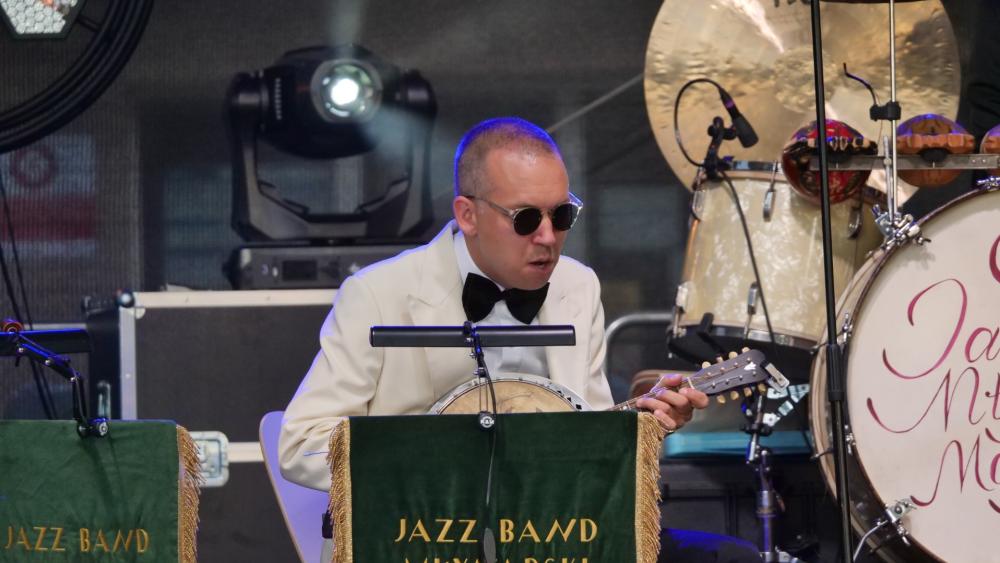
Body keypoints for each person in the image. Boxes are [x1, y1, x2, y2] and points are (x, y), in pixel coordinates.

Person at [279, 117, 761, 562]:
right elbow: (300, 445)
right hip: (422, 536)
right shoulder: (378, 293)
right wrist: (442, 464)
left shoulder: (577, 286)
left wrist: (642, 427)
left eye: (562, 215)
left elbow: (587, 430)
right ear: (468, 215)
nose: (548, 237)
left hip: (549, 534)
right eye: (526, 219)